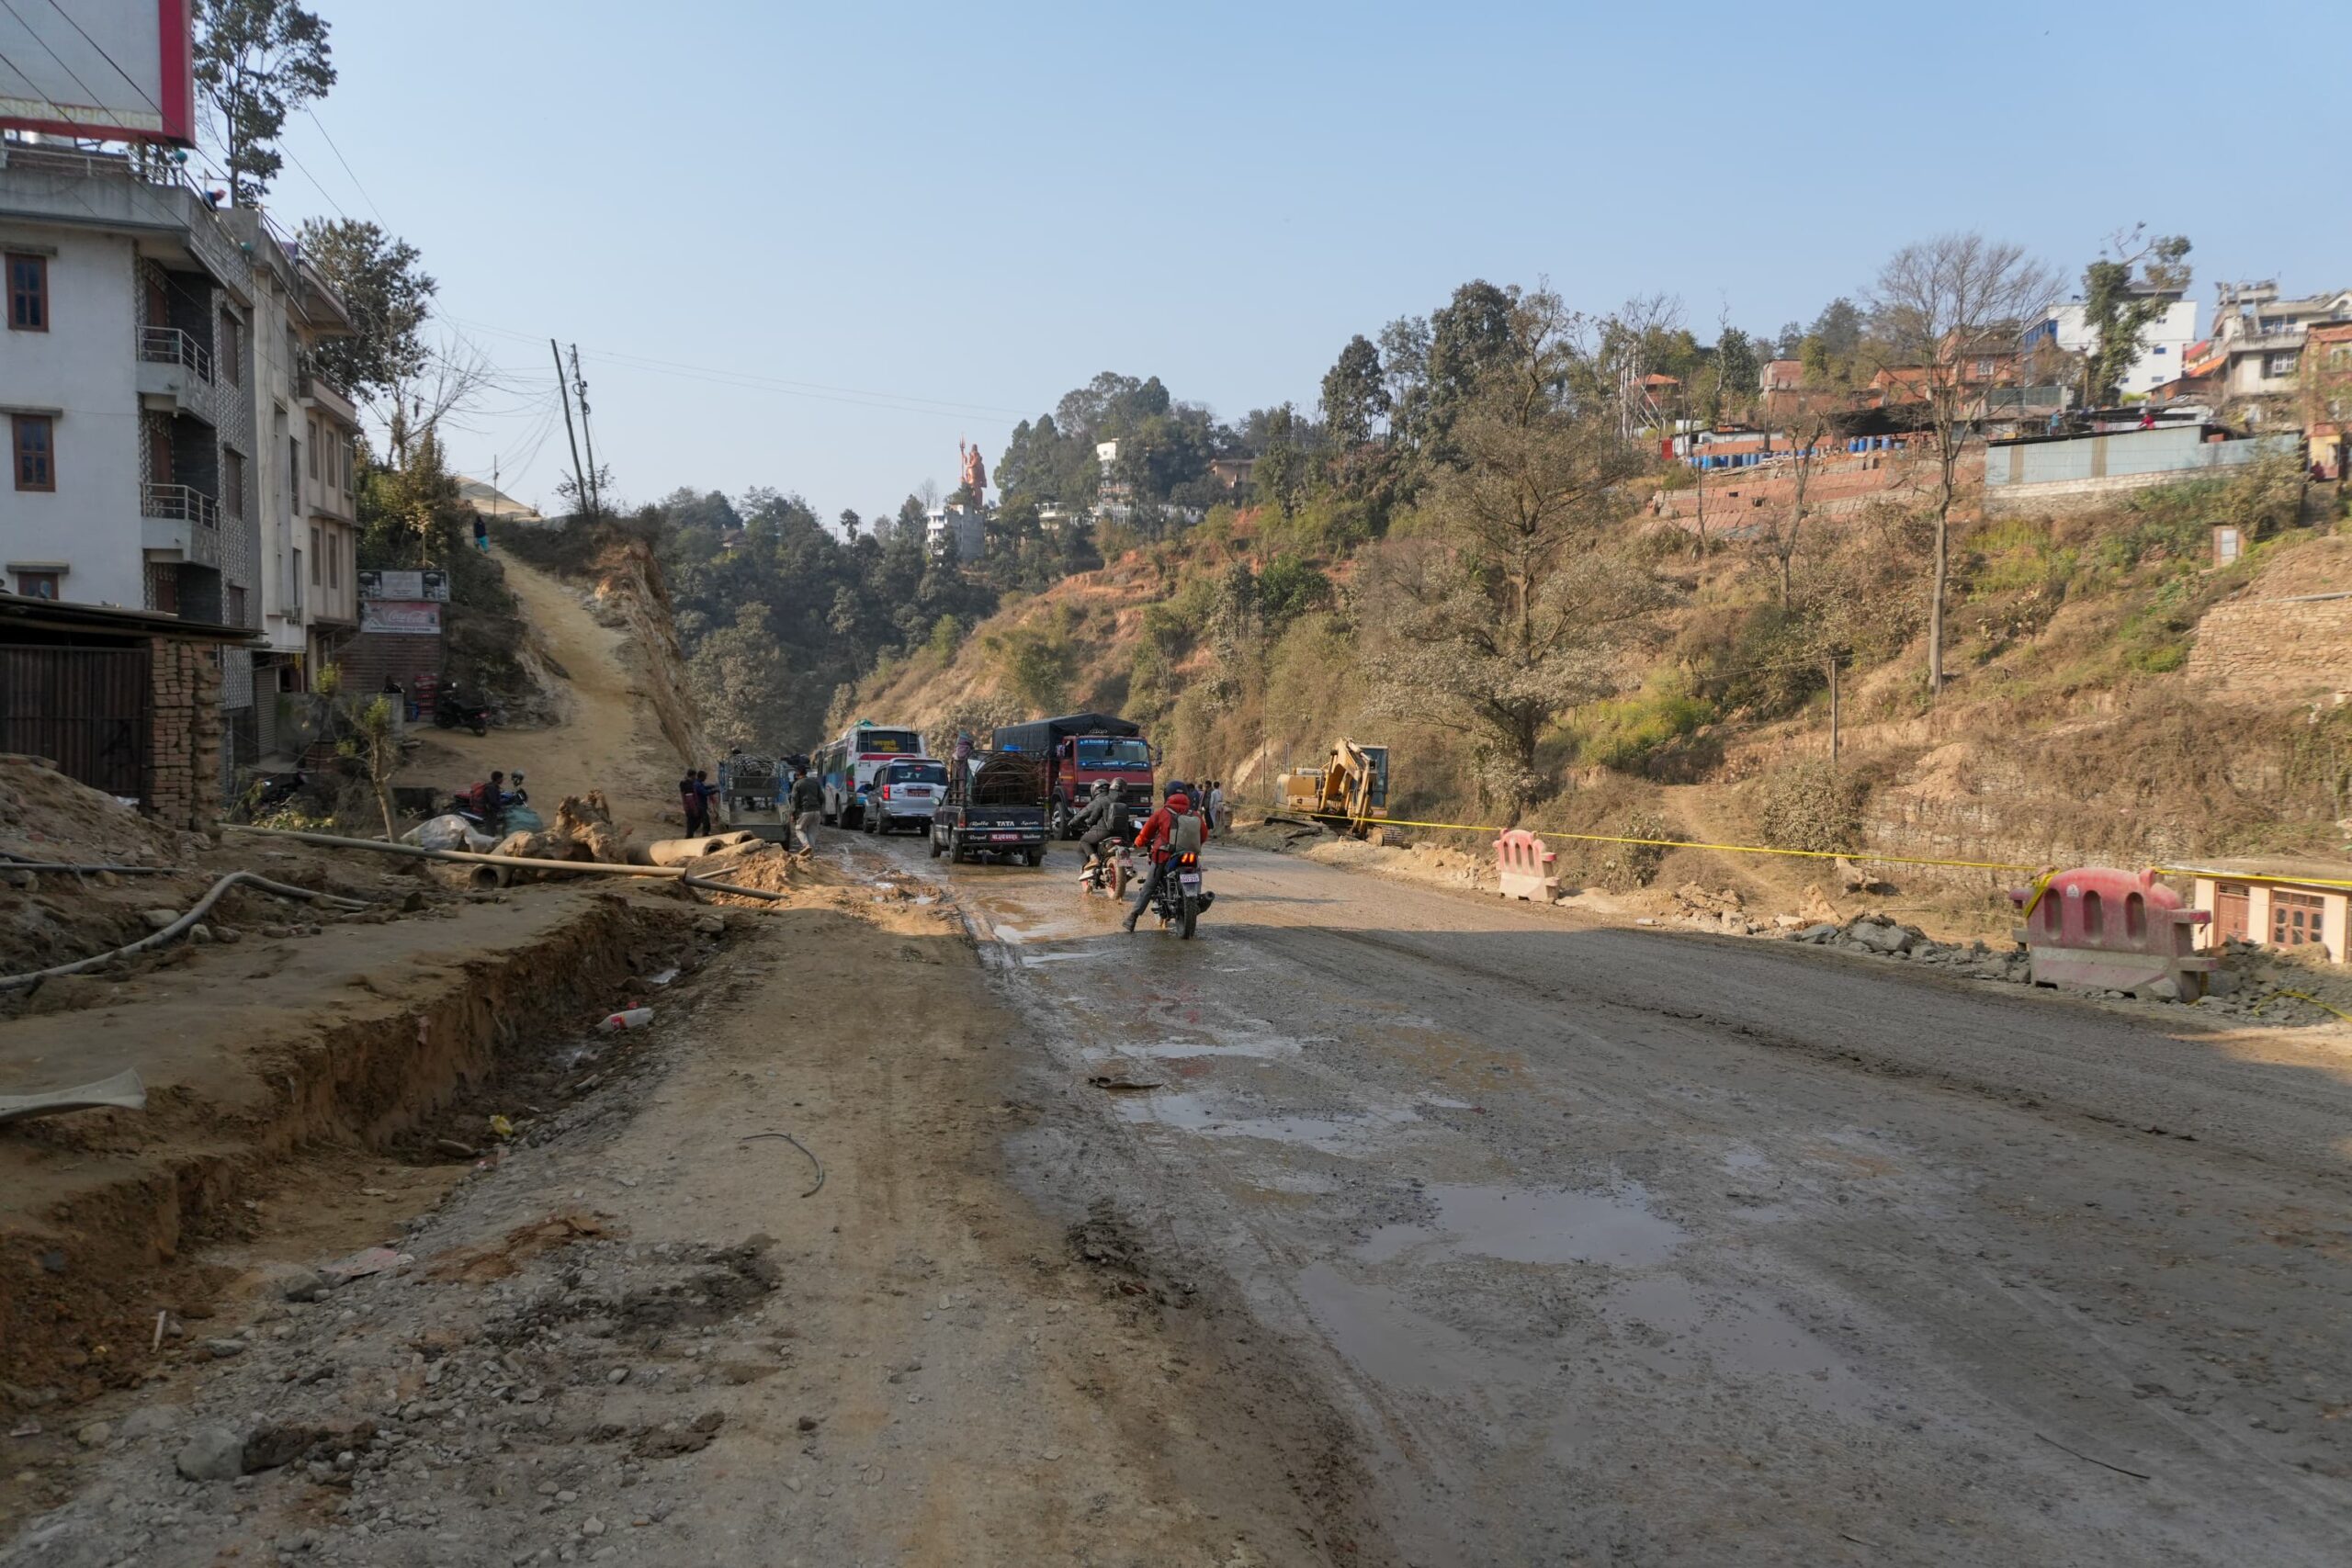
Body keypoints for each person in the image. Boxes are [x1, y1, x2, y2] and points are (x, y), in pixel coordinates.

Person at [1124, 783, 1204, 933]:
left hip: (1164, 856)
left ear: (1167, 795)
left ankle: (1132, 918)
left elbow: (1146, 833)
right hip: (1190, 855)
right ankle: (1198, 898)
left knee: (1149, 885)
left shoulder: (1162, 813)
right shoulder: (1195, 814)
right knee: (1197, 872)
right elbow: (1203, 835)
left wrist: (1138, 842)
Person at [1071, 779, 1130, 885]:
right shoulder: (1124, 803)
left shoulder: (1101, 801)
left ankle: (1094, 860)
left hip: (1103, 833)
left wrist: (1077, 823)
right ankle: (1128, 867)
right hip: (1123, 834)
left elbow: (1091, 818)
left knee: (1083, 841)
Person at [789, 768, 825, 854]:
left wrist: (793, 814)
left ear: (798, 774)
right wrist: (818, 807)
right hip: (816, 812)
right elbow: (822, 797)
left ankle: (806, 845)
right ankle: (810, 854)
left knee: (799, 829)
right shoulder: (815, 782)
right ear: (806, 773)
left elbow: (794, 800)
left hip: (805, 811)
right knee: (812, 833)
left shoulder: (797, 784)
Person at [679, 768, 706, 836]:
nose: (695, 777)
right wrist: (695, 809)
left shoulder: (685, 783)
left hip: (688, 806)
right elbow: (690, 798)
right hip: (691, 807)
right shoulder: (688, 784)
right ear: (693, 775)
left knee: (692, 822)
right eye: (695, 776)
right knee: (693, 822)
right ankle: (689, 835)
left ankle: (689, 834)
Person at [694, 769, 719, 833]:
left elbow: (704, 788)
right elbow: (705, 792)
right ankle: (705, 833)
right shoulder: (698, 785)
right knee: (706, 820)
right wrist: (715, 790)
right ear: (701, 777)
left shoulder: (698, 783)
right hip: (701, 805)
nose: (705, 778)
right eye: (705, 777)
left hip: (700, 804)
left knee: (699, 820)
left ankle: (691, 831)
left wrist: (712, 786)